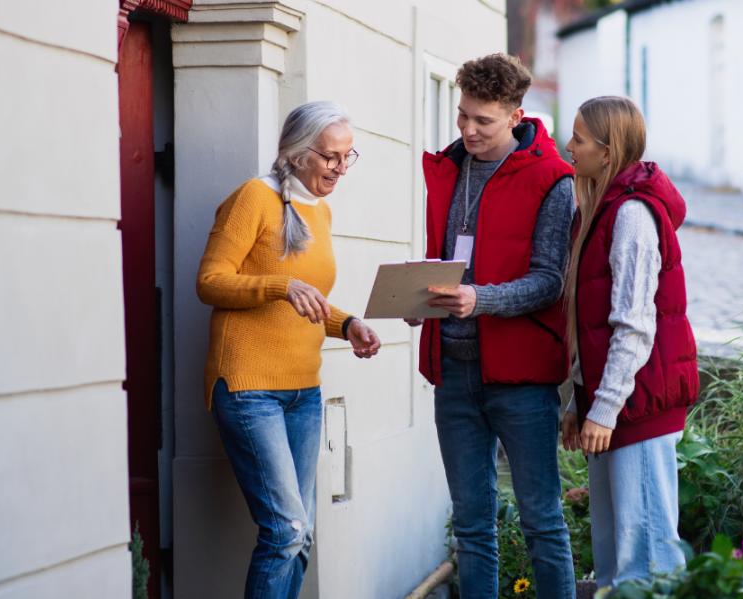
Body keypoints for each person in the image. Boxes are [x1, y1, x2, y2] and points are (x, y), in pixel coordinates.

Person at [196, 101, 381, 599]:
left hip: (303, 392)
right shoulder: (253, 198)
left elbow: (309, 297)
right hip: (248, 388)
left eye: (348, 157)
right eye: (330, 157)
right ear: (298, 154)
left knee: (301, 537)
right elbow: (210, 282)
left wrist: (349, 324)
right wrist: (279, 286)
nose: (340, 169)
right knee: (286, 532)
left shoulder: (318, 210)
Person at [408, 53, 576, 598]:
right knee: (472, 526)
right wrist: (422, 299)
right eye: (463, 116)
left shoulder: (552, 179)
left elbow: (549, 281)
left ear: (516, 115)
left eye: (483, 120)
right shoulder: (449, 166)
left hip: (521, 381)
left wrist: (478, 299)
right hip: (453, 375)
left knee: (542, 521)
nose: (469, 129)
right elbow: (447, 260)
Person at [561, 96, 699, 589]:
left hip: (636, 409)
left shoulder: (632, 216)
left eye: (578, 138)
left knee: (647, 564)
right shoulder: (599, 208)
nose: (568, 146)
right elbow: (586, 320)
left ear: (607, 148)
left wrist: (605, 407)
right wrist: (582, 400)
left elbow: (634, 324)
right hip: (616, 406)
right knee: (617, 561)